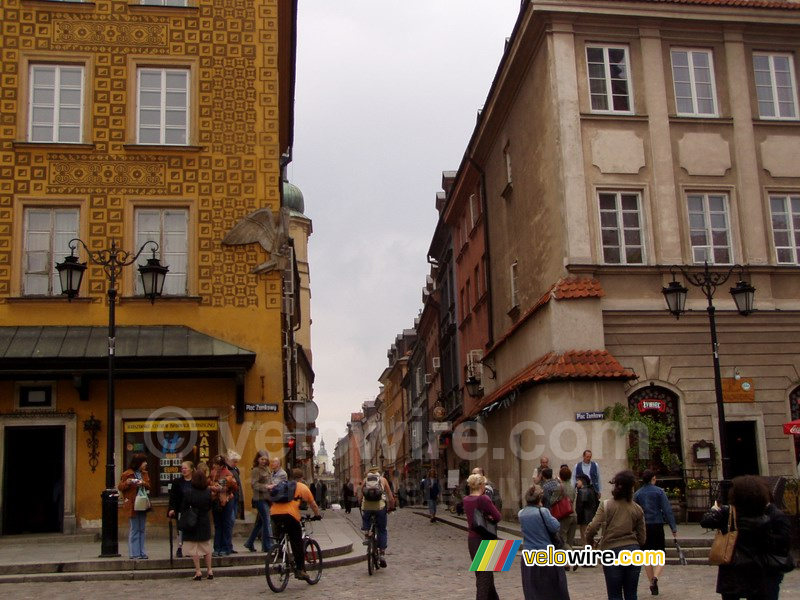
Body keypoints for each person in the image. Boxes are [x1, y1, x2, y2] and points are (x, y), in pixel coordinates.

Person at [700, 475, 788, 600]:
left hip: (731, 567)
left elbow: (705, 521)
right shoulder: (763, 517)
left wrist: (714, 510)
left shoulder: (728, 513)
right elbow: (771, 543)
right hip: (756, 568)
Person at [586, 470, 646, 600]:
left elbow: (593, 527)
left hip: (611, 550)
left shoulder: (606, 505)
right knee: (631, 594)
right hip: (633, 550)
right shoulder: (637, 508)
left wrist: (589, 541)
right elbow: (642, 537)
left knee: (614, 595)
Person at [519, 485, 571, 600]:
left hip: (529, 554)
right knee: (552, 588)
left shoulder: (521, 513)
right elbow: (555, 527)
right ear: (540, 498)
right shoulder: (543, 511)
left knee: (533, 588)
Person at [270, 468, 321, 581]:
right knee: (297, 542)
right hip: (290, 516)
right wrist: (317, 515)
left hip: (274, 514)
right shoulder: (302, 487)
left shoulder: (281, 485)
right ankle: (300, 570)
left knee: (282, 536)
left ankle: (280, 551)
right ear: (301, 478)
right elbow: (313, 504)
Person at [634, 469, 677, 595]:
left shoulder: (638, 493)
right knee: (660, 555)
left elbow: (635, 512)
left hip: (644, 527)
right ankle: (655, 577)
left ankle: (651, 582)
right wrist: (673, 528)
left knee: (647, 556)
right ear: (653, 478)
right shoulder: (659, 492)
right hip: (657, 525)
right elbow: (667, 510)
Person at [464, 473, 503, 600]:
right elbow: (497, 516)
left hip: (472, 540)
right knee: (484, 579)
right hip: (486, 539)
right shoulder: (483, 499)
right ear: (481, 485)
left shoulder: (466, 499)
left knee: (485, 576)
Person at [182, 468, 214, 580]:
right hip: (204, 520)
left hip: (192, 520)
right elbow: (210, 505)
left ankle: (198, 571)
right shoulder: (208, 492)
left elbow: (184, 507)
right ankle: (210, 570)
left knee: (193, 548)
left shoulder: (189, 492)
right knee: (206, 547)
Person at [118, 453, 151, 560]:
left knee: (142, 528)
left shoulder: (144, 474)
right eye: (143, 462)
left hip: (143, 502)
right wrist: (127, 482)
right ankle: (134, 553)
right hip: (132, 503)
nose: (145, 464)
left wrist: (143, 483)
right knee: (134, 528)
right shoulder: (127, 474)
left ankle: (142, 552)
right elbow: (120, 487)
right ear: (138, 463)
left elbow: (149, 485)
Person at [361, 466, 395, 567]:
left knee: (366, 517)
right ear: (378, 472)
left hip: (367, 506)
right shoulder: (383, 480)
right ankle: (382, 554)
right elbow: (390, 497)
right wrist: (391, 507)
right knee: (382, 530)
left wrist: (360, 504)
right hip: (380, 507)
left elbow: (359, 495)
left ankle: (367, 535)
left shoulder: (365, 480)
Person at [209, 454, 238, 557]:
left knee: (225, 524)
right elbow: (211, 484)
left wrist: (216, 488)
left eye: (216, 464)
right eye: (214, 464)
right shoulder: (213, 473)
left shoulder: (228, 474)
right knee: (218, 525)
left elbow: (232, 486)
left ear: (221, 465)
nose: (214, 466)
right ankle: (217, 547)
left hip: (226, 500)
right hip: (216, 500)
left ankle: (225, 548)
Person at [245, 450, 272, 553]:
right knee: (267, 521)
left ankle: (249, 542)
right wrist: (267, 486)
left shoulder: (267, 469)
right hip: (259, 499)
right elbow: (254, 485)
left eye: (265, 459)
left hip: (266, 498)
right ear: (257, 459)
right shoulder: (256, 470)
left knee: (259, 523)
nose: (263, 461)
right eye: (262, 459)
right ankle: (267, 545)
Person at [167, 460, 195, 558]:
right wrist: (172, 509)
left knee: (192, 529)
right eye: (182, 468)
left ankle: (190, 548)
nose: (183, 470)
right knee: (181, 530)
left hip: (193, 510)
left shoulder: (195, 481)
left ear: (191, 469)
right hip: (181, 509)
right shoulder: (177, 482)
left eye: (185, 468)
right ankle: (180, 547)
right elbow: (173, 497)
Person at [558, 466, 579, 570]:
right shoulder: (572, 487)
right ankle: (566, 563)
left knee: (562, 539)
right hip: (573, 514)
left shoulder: (560, 487)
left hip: (565, 515)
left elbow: (553, 500)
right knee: (570, 540)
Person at [575, 473, 599, 547]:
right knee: (589, 540)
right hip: (591, 518)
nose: (576, 482)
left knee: (585, 542)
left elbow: (580, 506)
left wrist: (578, 516)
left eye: (578, 480)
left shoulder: (583, 492)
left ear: (582, 481)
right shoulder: (592, 490)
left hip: (585, 519)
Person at [226, 451, 243, 555]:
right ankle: (227, 545)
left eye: (236, 462)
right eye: (234, 461)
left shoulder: (236, 469)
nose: (235, 463)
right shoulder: (227, 470)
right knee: (229, 522)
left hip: (236, 497)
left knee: (231, 523)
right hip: (230, 498)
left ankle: (229, 545)